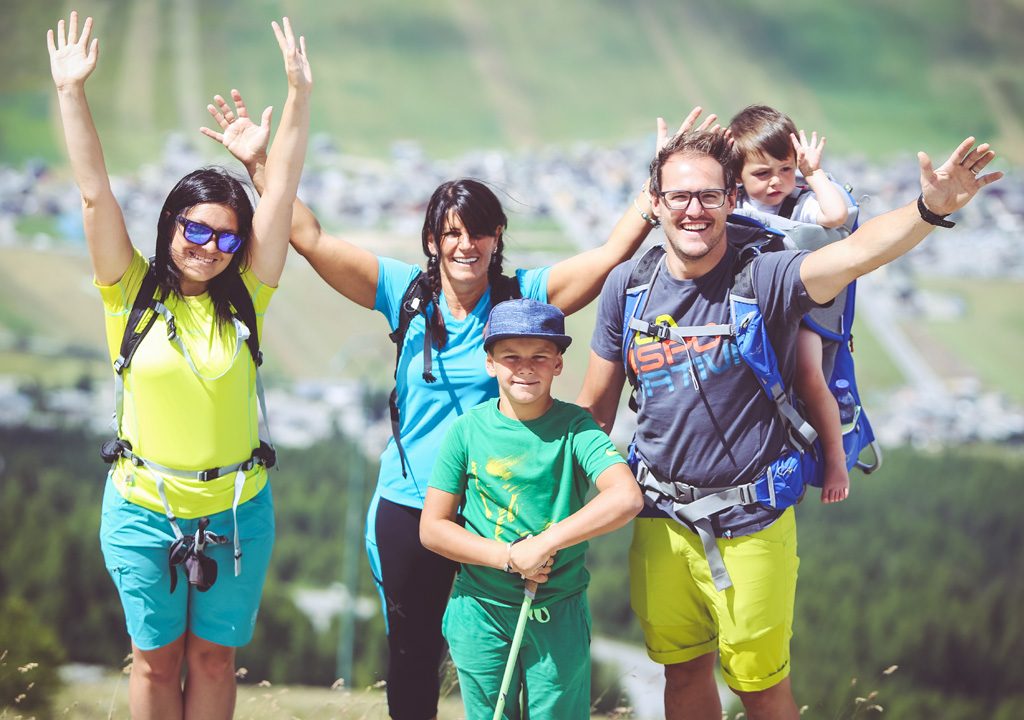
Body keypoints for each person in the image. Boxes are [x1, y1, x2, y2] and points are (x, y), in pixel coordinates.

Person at [203, 95, 722, 719]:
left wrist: (658, 186)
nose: (465, 244)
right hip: (409, 505)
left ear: (497, 235)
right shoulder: (404, 293)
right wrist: (261, 166)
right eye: (451, 232)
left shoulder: (523, 297)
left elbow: (608, 258)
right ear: (432, 239)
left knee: (505, 657)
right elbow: (309, 238)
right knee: (413, 655)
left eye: (477, 230)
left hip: (493, 511)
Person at [577, 126, 1000, 720]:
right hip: (660, 519)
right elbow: (595, 408)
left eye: (708, 196)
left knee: (761, 687)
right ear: (655, 200)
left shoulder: (766, 276)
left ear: (730, 199)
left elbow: (855, 253)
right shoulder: (629, 286)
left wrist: (931, 208)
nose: (694, 210)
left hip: (750, 521)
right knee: (681, 672)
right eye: (679, 196)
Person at [48, 11, 311, 719]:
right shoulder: (127, 292)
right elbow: (95, 194)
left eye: (226, 236)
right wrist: (72, 92)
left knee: (216, 660)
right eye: (195, 228)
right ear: (170, 226)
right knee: (157, 665)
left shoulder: (249, 296)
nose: (210, 246)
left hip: (236, 511)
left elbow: (280, 196)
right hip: (141, 510)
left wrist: (297, 99)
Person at [420, 298, 642, 720]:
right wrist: (508, 558)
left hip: (557, 611)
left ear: (558, 364)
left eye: (540, 356)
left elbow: (626, 497)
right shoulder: (465, 432)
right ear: (490, 364)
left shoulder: (578, 429)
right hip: (480, 611)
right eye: (511, 357)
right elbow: (432, 528)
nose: (525, 367)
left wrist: (544, 544)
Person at [729, 104, 856, 503]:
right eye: (762, 173)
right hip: (753, 309)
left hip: (802, 314)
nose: (777, 182)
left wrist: (812, 173)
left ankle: (834, 458)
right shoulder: (732, 203)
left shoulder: (801, 203)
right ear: (736, 175)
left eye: (785, 169)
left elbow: (835, 215)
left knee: (808, 373)